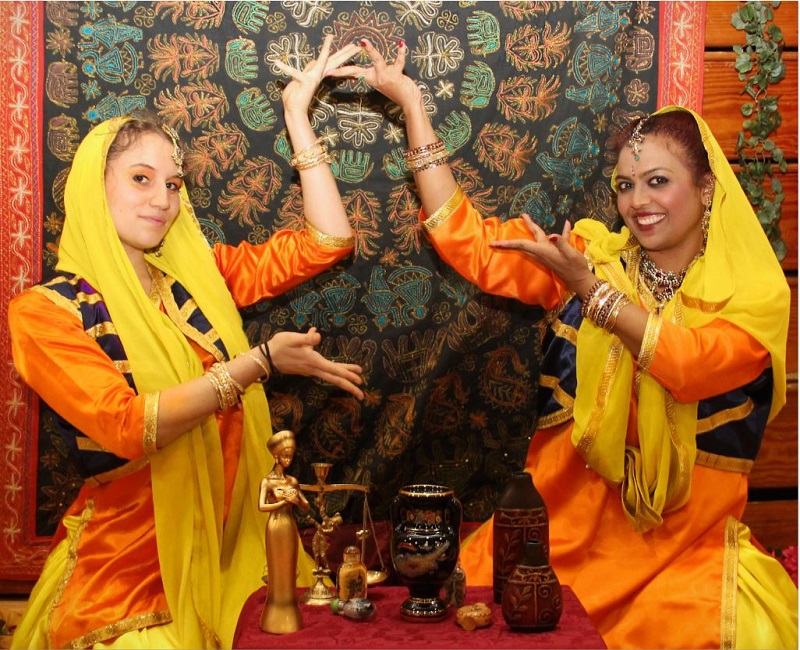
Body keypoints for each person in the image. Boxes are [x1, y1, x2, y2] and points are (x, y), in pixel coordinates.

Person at [331, 41, 798, 648]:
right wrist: (412, 107)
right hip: (553, 543)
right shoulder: (590, 255)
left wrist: (591, 292)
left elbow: (688, 367)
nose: (639, 203)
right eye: (626, 185)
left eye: (658, 181)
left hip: (684, 551)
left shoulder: (752, 296)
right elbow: (466, 242)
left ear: (707, 189)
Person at [9, 36, 363, 649]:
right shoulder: (47, 313)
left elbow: (329, 240)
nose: (162, 200)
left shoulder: (198, 282)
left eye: (174, 185)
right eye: (141, 178)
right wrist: (258, 363)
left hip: (234, 555)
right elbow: (128, 426)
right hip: (129, 575)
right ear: (96, 187)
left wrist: (297, 118)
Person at [258, 430, 310, 635]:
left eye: (291, 455)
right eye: (285, 456)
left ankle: (291, 613)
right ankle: (272, 615)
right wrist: (282, 501)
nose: (288, 459)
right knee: (276, 570)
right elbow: (261, 507)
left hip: (289, 526)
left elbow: (305, 506)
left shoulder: (292, 481)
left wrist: (296, 498)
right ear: (276, 456)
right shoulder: (267, 482)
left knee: (289, 570)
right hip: (275, 527)